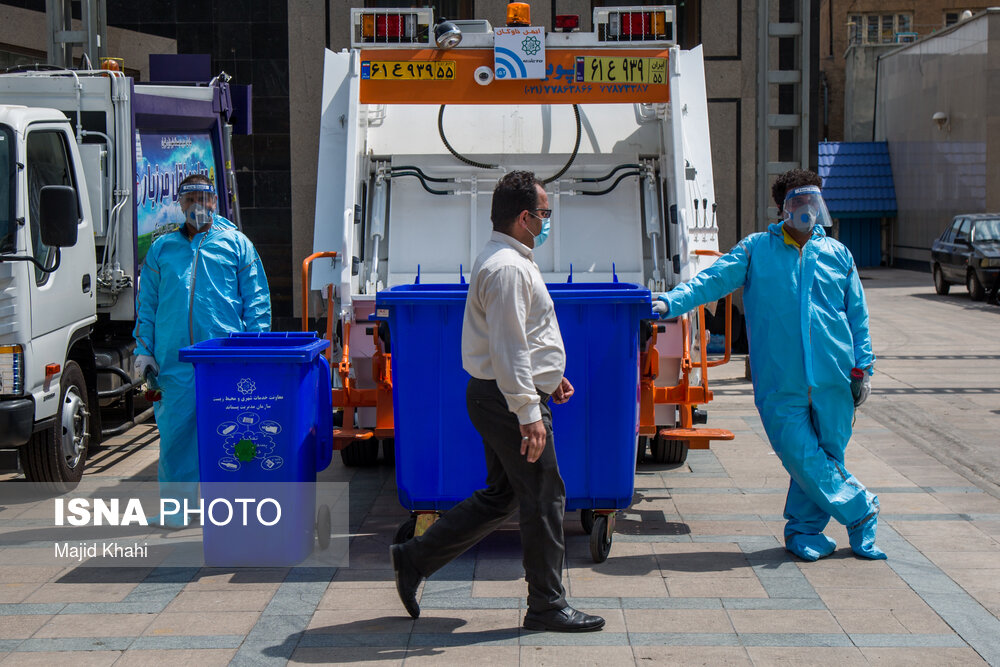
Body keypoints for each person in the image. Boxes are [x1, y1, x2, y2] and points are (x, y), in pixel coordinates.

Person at [389, 171, 605, 632]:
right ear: (524, 217)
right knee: (545, 495)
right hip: (506, 401)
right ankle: (547, 605)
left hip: (499, 395)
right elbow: (508, 349)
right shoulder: (507, 268)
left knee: (504, 494)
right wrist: (529, 412)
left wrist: (550, 378)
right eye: (545, 214)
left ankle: (414, 558)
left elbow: (519, 341)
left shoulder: (507, 259)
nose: (548, 222)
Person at [653, 169, 885, 561]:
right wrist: (673, 301)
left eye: (813, 202)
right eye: (798, 202)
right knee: (799, 454)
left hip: (835, 376)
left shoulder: (838, 254)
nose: (806, 210)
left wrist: (863, 367)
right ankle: (861, 510)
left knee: (826, 458)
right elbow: (713, 279)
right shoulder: (756, 249)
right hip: (781, 380)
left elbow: (857, 315)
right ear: (782, 208)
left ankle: (803, 531)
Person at [133, 173, 271, 527]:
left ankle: (230, 509)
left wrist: (256, 352)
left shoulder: (237, 245)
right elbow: (147, 304)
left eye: (204, 198)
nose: (197, 205)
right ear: (179, 203)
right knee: (176, 435)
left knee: (231, 433)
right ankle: (177, 511)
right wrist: (143, 350)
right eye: (190, 198)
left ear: (215, 201)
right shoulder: (162, 250)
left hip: (225, 362)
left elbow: (256, 302)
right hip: (173, 362)